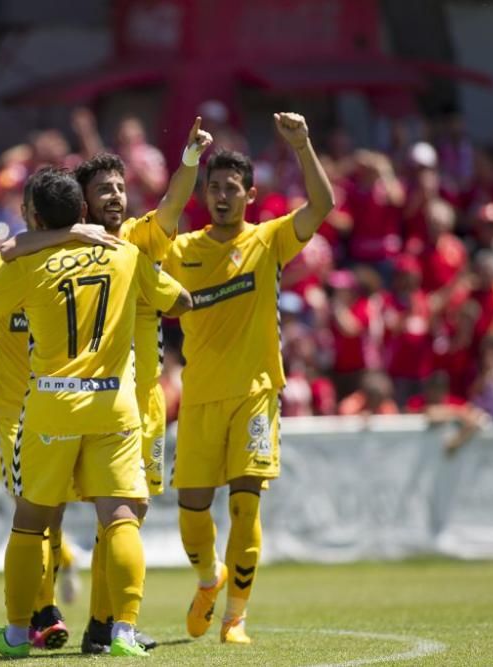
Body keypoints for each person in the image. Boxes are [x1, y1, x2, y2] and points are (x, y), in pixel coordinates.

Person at [0, 168, 193, 658]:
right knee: (121, 518)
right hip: (114, 403)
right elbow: (183, 300)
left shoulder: (27, 268)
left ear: (36, 217)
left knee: (32, 521)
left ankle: (16, 633)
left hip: (51, 402)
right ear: (82, 212)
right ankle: (124, 632)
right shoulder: (126, 256)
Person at [0, 116, 213, 653]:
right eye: (104, 191)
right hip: (96, 401)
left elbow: (172, 206)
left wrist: (189, 160)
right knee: (58, 515)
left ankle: (101, 622)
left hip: (139, 403)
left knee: (122, 517)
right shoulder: (65, 249)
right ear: (84, 206)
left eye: (120, 187)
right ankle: (50, 612)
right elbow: (17, 244)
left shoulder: (138, 237)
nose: (116, 197)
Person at [161, 112, 334, 645]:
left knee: (244, 504)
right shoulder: (182, 250)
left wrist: (303, 145)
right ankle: (209, 581)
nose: (221, 196)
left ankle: (236, 617)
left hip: (257, 395)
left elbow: (323, 206)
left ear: (250, 196)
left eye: (231, 189)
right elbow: (146, 247)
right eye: (213, 188)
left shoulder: (270, 241)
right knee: (192, 514)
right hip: (200, 398)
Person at [0, 175, 116, 650]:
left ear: (31, 214)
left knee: (45, 515)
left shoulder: (65, 264)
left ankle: (44, 617)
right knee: (42, 512)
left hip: (53, 406)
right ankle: (51, 613)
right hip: (16, 412)